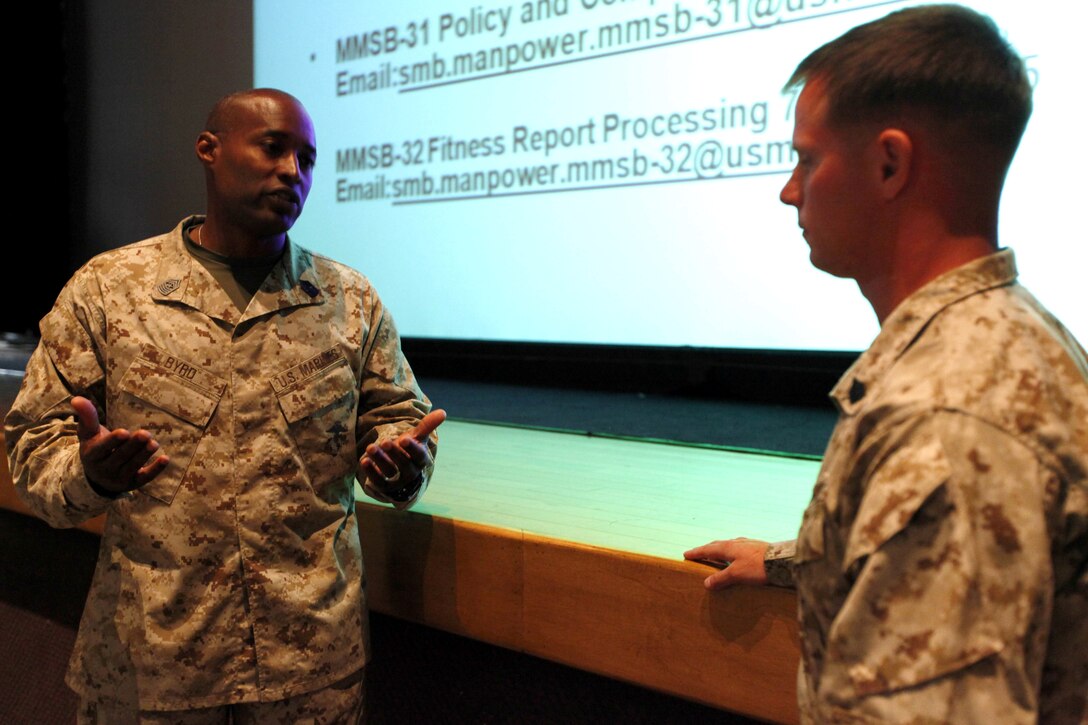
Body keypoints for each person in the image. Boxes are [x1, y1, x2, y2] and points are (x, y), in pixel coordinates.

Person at [685, 6, 1087, 723]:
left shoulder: (946, 413)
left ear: (889, 163)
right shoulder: (1010, 337)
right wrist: (796, 561)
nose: (788, 189)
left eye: (807, 159)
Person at [5, 88, 445, 722]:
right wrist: (88, 474)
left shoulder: (348, 300)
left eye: (308, 159)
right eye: (273, 147)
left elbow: (400, 420)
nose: (293, 171)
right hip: (153, 665)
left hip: (310, 672)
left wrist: (402, 464)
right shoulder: (109, 290)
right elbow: (32, 446)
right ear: (209, 150)